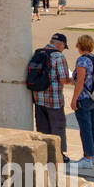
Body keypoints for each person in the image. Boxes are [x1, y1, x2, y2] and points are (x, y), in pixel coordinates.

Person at [30, 32, 74, 161]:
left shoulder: (38, 53)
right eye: (64, 46)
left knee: (42, 127)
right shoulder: (58, 56)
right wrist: (73, 80)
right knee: (57, 127)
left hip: (38, 98)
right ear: (61, 44)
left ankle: (44, 154)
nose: (63, 49)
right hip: (54, 99)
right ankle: (58, 154)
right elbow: (63, 79)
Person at [70, 35, 94, 167]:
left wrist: (74, 99)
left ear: (79, 45)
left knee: (85, 129)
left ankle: (87, 158)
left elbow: (80, 82)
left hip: (84, 98)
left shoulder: (82, 61)